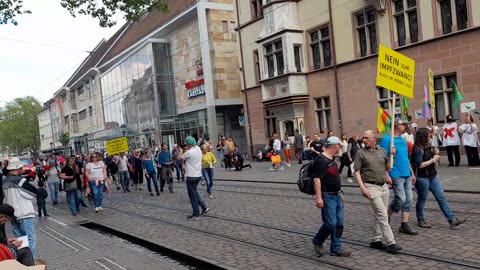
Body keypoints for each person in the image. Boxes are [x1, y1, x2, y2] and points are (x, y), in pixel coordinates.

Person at [354, 130, 402, 254]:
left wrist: (392, 155)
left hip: (383, 186)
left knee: (379, 214)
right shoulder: (360, 153)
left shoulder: (381, 151)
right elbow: (356, 172)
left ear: (374, 139)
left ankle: (375, 240)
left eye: (366, 138)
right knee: (382, 215)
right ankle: (391, 242)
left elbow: (388, 167)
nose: (364, 140)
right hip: (371, 186)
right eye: (363, 138)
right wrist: (362, 187)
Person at [412, 128, 466, 229]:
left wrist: (435, 153)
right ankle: (421, 219)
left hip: (433, 176)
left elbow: (431, 158)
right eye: (428, 134)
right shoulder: (418, 149)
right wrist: (433, 159)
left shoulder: (427, 146)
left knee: (441, 198)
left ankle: (451, 219)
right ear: (423, 136)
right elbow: (420, 165)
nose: (430, 136)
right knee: (422, 199)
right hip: (423, 178)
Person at [311, 136, 350, 257]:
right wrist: (319, 198)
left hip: (336, 195)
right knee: (330, 223)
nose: (340, 149)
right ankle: (318, 240)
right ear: (335, 146)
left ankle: (336, 248)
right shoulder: (321, 160)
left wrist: (340, 192)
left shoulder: (332, 159)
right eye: (340, 146)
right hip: (327, 196)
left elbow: (334, 178)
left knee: (339, 223)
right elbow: (317, 180)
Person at [379, 118, 417, 235]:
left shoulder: (402, 139)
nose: (404, 126)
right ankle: (387, 215)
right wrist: (386, 174)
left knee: (409, 200)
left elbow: (406, 158)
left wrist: (412, 173)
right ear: (396, 126)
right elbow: (381, 157)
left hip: (406, 173)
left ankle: (404, 225)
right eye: (402, 124)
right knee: (401, 198)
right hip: (396, 173)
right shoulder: (387, 139)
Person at [1, 157, 38, 259]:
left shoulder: (4, 181)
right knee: (30, 239)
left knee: (20, 241)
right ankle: (32, 262)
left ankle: (24, 262)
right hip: (24, 214)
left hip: (13, 216)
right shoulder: (20, 180)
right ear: (18, 168)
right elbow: (33, 193)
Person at [178, 136, 210, 220]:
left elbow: (179, 158)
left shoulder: (189, 153)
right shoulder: (198, 149)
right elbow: (194, 147)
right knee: (195, 192)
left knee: (192, 195)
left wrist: (181, 151)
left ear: (188, 144)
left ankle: (196, 213)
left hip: (191, 176)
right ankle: (204, 207)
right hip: (198, 175)